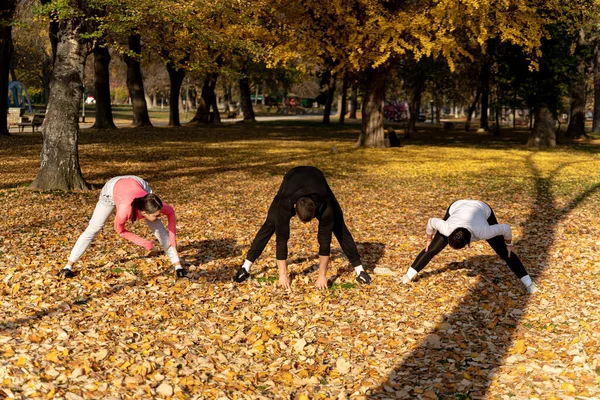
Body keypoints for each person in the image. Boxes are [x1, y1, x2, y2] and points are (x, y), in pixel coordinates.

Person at [234, 166, 371, 289]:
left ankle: (360, 270)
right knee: (270, 224)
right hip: (292, 177)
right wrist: (283, 274)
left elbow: (325, 242)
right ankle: (245, 267)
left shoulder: (325, 208)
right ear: (294, 209)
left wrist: (322, 275)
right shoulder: (285, 203)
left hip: (317, 178)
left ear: (315, 210)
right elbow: (281, 239)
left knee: (339, 226)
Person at [58, 175, 186, 279]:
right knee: (94, 228)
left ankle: (178, 267)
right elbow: (119, 230)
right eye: (157, 215)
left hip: (137, 182)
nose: (160, 216)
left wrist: (172, 237)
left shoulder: (152, 204)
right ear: (145, 213)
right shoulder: (124, 211)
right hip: (111, 189)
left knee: (160, 230)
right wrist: (143, 243)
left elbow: (171, 212)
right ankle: (68, 266)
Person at [401, 200, 538, 293]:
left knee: (503, 251)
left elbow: (506, 228)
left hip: (482, 209)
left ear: (468, 244)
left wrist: (509, 245)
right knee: (432, 249)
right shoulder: (447, 227)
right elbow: (431, 221)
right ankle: (407, 276)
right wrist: (429, 239)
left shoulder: (484, 231)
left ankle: (529, 284)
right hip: (458, 206)